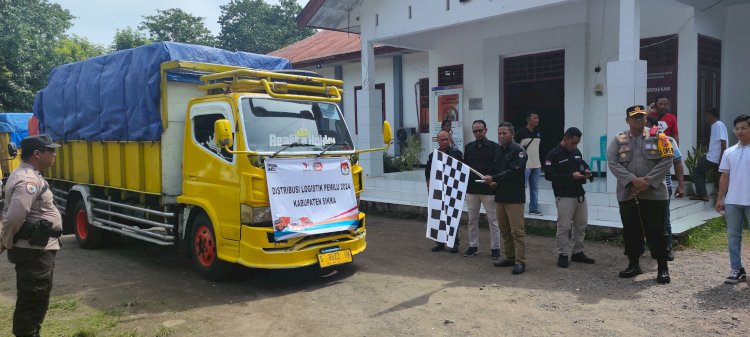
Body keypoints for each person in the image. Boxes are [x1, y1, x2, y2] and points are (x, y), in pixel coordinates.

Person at [0, 134, 63, 337]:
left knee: (37, 298)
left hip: (37, 250)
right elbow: (14, 217)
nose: (54, 154)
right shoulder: (28, 180)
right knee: (32, 299)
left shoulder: (31, 175)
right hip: (33, 252)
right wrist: (4, 243)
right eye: (50, 151)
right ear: (37, 153)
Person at [607, 106, 673, 284]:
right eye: (634, 117)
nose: (638, 119)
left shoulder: (658, 136)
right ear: (627, 120)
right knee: (631, 230)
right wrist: (632, 180)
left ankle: (662, 268)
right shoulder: (618, 140)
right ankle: (634, 264)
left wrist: (647, 181)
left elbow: (668, 159)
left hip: (655, 194)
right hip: (629, 193)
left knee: (658, 231)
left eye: (641, 116)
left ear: (646, 118)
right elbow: (612, 162)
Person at [543, 127, 596, 268]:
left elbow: (582, 164)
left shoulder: (576, 152)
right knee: (564, 226)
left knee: (581, 225)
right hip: (564, 195)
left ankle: (578, 252)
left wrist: (587, 171)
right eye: (573, 143)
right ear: (565, 139)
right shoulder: (553, 155)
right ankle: (563, 254)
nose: (575, 146)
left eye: (577, 143)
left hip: (579, 194)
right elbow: (549, 175)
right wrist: (570, 177)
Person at [483, 122, 527, 275]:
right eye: (499, 133)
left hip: (515, 197)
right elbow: (498, 171)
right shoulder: (499, 150)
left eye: (505, 133)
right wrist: (494, 182)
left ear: (512, 134)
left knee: (517, 232)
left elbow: (513, 172)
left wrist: (494, 178)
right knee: (505, 230)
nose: (501, 136)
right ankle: (509, 257)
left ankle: (520, 262)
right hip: (500, 195)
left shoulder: (519, 151)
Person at [715, 114, 750, 284]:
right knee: (733, 236)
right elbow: (724, 177)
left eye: (744, 128)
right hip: (733, 201)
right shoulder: (729, 152)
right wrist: (720, 198)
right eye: (737, 128)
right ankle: (737, 269)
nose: (740, 131)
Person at [646, 117, 685, 261]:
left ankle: (666, 248)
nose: (646, 131)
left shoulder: (667, 140)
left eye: (648, 127)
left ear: (656, 127)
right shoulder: (637, 142)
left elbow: (678, 163)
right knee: (645, 219)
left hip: (663, 187)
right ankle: (648, 247)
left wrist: (681, 185)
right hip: (642, 187)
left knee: (664, 219)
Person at [463, 120, 501, 259]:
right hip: (472, 189)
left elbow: (498, 168)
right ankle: (473, 246)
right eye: (475, 131)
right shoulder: (469, 147)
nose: (478, 133)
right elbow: (465, 168)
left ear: (486, 130)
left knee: (493, 220)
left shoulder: (495, 147)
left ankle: (495, 248)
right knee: (472, 220)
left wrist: (493, 180)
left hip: (488, 190)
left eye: (480, 130)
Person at [426, 130, 464, 253]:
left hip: (453, 190)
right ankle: (440, 243)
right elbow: (428, 173)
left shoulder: (457, 154)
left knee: (452, 217)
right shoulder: (433, 156)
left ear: (450, 139)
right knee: (438, 216)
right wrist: (429, 188)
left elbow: (461, 172)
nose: (444, 141)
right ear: (437, 140)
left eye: (446, 139)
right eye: (442, 139)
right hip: (437, 190)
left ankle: (454, 243)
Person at [691, 108, 728, 201]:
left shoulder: (717, 125)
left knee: (697, 171)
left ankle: (702, 194)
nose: (705, 118)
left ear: (711, 115)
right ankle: (724, 200)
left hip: (714, 157)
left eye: (706, 115)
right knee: (718, 178)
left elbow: (723, 142)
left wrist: (721, 158)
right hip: (714, 156)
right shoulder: (716, 125)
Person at [515, 111, 542, 215]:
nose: (537, 120)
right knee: (522, 188)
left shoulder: (538, 132)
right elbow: (515, 148)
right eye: (534, 118)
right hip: (525, 165)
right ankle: (518, 208)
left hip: (537, 165)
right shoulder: (521, 132)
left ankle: (533, 209)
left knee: (535, 189)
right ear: (528, 120)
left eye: (537, 118)